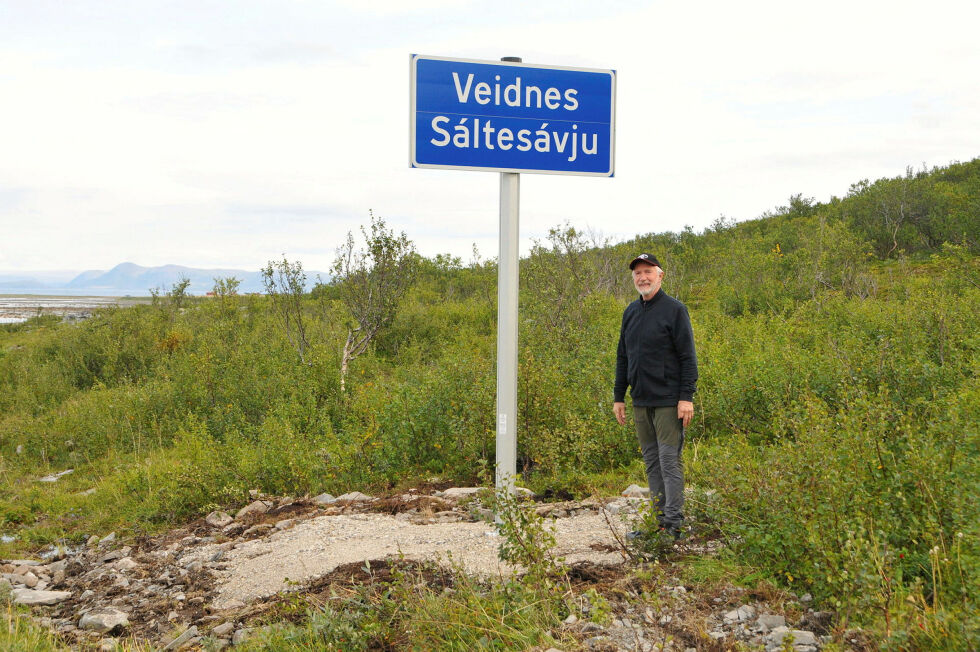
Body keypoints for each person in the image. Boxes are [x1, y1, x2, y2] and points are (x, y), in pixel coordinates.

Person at [613, 253, 698, 539]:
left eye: (648, 271)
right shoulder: (631, 312)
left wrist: (686, 397)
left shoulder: (675, 310)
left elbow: (688, 358)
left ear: (660, 275)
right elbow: (623, 356)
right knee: (651, 462)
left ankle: (673, 525)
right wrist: (619, 396)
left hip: (669, 402)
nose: (643, 277)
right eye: (638, 273)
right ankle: (658, 524)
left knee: (669, 461)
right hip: (641, 401)